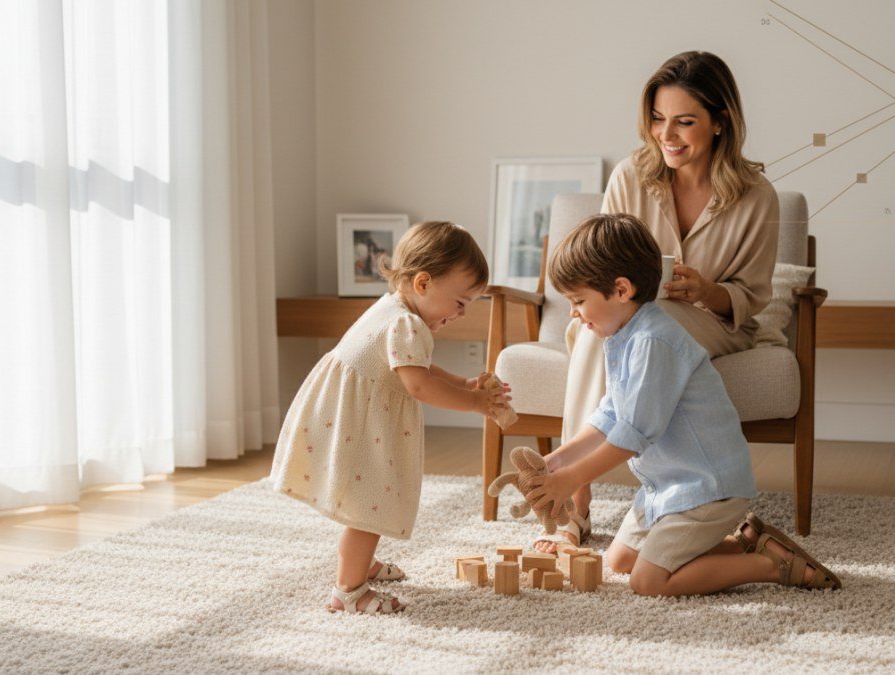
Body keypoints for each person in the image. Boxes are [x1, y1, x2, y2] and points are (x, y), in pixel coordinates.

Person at [535, 50, 779, 553]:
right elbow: (602, 261)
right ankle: (572, 509)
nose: (666, 135)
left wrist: (708, 290)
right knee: (591, 329)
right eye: (658, 120)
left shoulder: (758, 197)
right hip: (628, 314)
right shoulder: (631, 175)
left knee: (655, 321)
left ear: (721, 121)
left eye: (684, 122)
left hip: (713, 319)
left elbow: (751, 297)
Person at [526, 213, 841, 595]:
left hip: (705, 488)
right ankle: (748, 542)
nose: (573, 312)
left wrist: (571, 479)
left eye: (578, 301)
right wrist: (557, 461)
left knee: (648, 582)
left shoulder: (654, 342)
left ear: (622, 290)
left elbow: (632, 436)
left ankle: (773, 566)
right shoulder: (625, 336)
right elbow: (610, 415)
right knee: (620, 560)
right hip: (668, 487)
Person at [271, 221, 510, 615]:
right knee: (367, 509)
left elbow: (422, 369)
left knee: (372, 500)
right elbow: (419, 386)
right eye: (461, 302)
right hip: (361, 426)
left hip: (355, 418)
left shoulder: (395, 310)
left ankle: (362, 564)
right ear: (423, 283)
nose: (461, 314)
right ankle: (348, 591)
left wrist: (466, 383)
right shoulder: (406, 324)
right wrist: (476, 404)